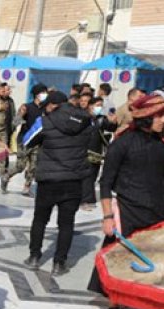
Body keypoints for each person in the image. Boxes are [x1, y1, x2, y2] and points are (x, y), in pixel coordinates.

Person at [89, 92, 164, 309]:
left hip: (157, 212)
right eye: (160, 115)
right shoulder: (122, 143)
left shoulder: (161, 143)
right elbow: (105, 182)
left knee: (148, 263)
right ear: (146, 117)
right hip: (128, 211)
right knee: (119, 261)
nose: (163, 120)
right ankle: (114, 305)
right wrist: (108, 216)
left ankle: (140, 302)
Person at [21, 91, 92, 276]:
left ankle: (34, 257)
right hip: (74, 180)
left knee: (40, 220)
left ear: (52, 105)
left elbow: (26, 141)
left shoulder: (45, 121)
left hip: (49, 181)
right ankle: (59, 264)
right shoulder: (86, 121)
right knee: (66, 224)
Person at [81, 96, 118, 210]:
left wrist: (114, 122)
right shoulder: (82, 117)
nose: (99, 108)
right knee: (87, 175)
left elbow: (110, 127)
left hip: (96, 152)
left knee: (92, 176)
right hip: (83, 150)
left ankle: (84, 197)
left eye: (101, 106)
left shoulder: (101, 119)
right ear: (90, 105)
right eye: (97, 105)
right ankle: (86, 200)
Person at [15, 84, 48, 197]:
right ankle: (7, 176)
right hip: (24, 140)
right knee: (20, 167)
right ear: (36, 95)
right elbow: (15, 121)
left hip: (37, 141)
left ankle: (27, 186)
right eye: (43, 92)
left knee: (33, 166)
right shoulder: (27, 107)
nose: (45, 95)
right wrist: (20, 114)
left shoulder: (45, 108)